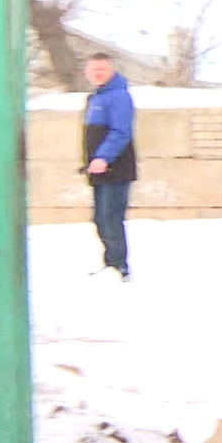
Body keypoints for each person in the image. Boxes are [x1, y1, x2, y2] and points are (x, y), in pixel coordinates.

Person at [81, 52, 136, 280]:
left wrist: (103, 157)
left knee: (110, 216)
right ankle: (112, 260)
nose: (97, 73)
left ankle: (120, 266)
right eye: (93, 69)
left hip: (115, 169)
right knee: (100, 218)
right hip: (99, 170)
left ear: (111, 70)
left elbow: (121, 132)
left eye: (102, 69)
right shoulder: (96, 97)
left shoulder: (119, 96)